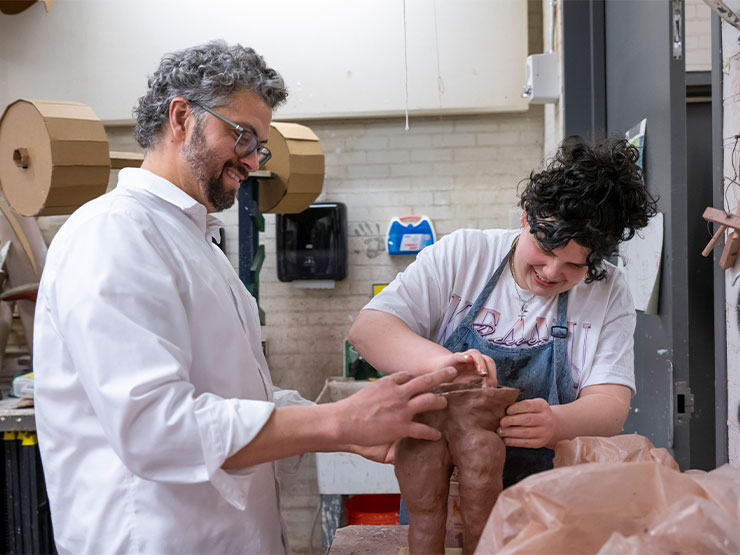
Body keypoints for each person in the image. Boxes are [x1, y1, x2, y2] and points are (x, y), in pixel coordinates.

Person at [32, 41, 464, 554]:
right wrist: (333, 420)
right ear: (180, 117)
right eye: (242, 136)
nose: (253, 160)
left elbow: (236, 397)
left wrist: (347, 430)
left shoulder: (196, 242)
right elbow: (154, 427)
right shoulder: (113, 234)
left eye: (259, 145)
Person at [349, 136, 658, 487]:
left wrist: (557, 424)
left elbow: (610, 405)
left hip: (550, 494)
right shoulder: (465, 254)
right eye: (546, 249)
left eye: (575, 266)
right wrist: (442, 365)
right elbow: (369, 329)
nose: (553, 272)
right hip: (443, 482)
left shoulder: (608, 289)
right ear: (526, 217)